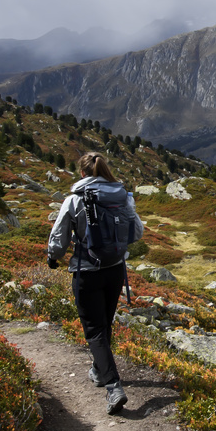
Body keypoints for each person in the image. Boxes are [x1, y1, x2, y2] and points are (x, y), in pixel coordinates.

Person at [46, 152, 143, 415]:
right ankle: (100, 373)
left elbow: (59, 236)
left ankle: (113, 386)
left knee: (94, 330)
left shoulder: (74, 199)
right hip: (115, 270)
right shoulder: (123, 196)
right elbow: (136, 232)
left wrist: (53, 257)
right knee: (104, 324)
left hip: (87, 271)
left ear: (82, 173)